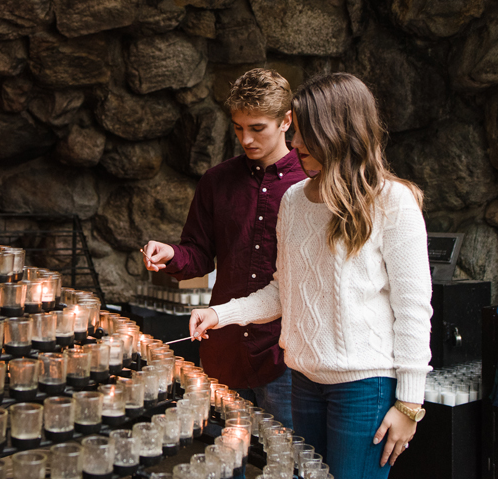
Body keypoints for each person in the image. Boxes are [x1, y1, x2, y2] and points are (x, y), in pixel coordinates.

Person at [189, 72, 433, 478]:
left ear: (337, 132)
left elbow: (413, 310)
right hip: (302, 379)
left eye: (305, 133)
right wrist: (220, 315)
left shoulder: (393, 200)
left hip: (364, 388)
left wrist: (409, 404)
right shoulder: (294, 202)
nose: (296, 143)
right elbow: (283, 292)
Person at [142, 68, 307, 428]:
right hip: (224, 353)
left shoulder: (310, 185)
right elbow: (197, 254)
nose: (245, 139)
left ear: (286, 121)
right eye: (238, 127)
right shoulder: (217, 181)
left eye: (257, 128)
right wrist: (172, 254)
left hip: (287, 358)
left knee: (289, 466)